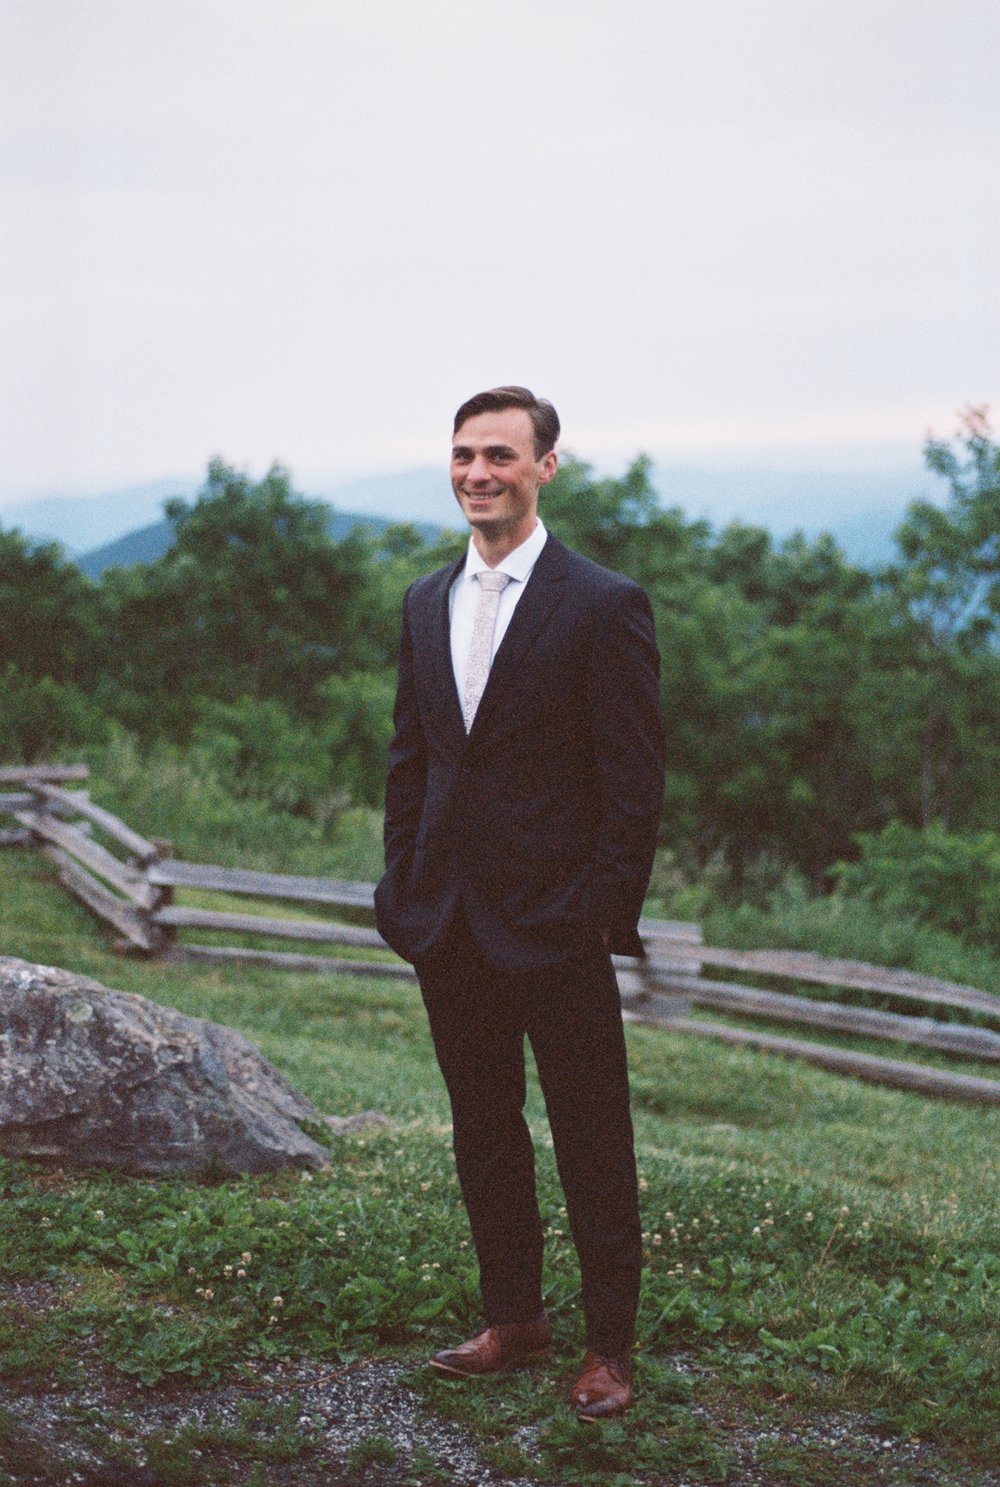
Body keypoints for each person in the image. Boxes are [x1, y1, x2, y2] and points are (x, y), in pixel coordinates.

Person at [374, 386, 665, 1421]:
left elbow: (634, 781)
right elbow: (413, 758)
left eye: (499, 453)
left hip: (557, 921)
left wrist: (600, 911)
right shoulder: (422, 599)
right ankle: (513, 1316)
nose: (476, 472)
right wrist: (400, 880)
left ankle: (607, 1347)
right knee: (484, 1123)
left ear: (546, 465)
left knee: (593, 1133)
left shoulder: (601, 602)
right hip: (446, 916)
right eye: (461, 454)